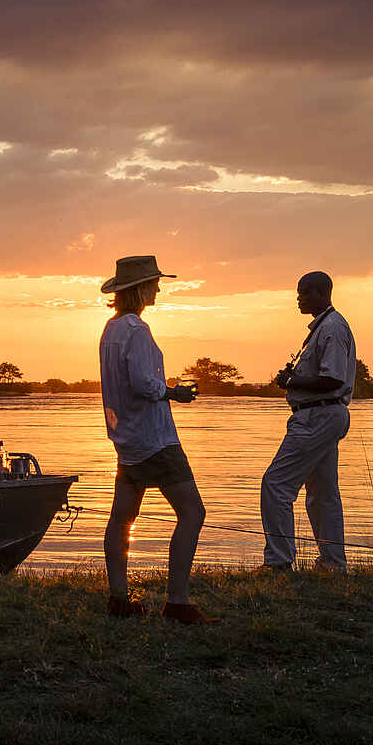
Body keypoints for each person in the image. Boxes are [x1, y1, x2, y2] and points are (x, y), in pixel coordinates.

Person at [98, 255, 218, 624]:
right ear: (139, 289)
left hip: (126, 439)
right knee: (192, 513)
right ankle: (177, 602)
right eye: (153, 282)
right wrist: (175, 393)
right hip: (154, 439)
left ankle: (119, 597)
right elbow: (143, 384)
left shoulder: (111, 328)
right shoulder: (137, 330)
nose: (158, 288)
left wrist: (162, 389)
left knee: (122, 518)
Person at [261, 271, 357, 572]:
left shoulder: (331, 328)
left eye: (303, 292)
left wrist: (292, 380)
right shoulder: (324, 327)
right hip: (322, 415)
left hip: (318, 415)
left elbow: (332, 379)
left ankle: (279, 561)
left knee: (276, 485)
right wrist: (294, 380)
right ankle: (332, 564)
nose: (298, 298)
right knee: (322, 493)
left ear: (320, 293)